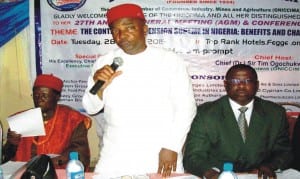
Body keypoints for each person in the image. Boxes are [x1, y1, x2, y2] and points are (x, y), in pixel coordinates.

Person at [82, 3, 196, 178]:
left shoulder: (170, 61)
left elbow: (186, 108)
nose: (121, 36)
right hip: (115, 152)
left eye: (129, 28)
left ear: (144, 29)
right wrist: (99, 88)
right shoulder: (103, 62)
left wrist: (172, 146)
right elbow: (91, 108)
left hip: (159, 150)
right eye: (115, 30)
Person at [183, 64, 293, 179]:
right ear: (225, 85)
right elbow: (193, 156)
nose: (241, 86)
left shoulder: (275, 113)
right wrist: (211, 173)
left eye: (248, 81)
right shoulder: (206, 113)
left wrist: (270, 166)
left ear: (257, 85)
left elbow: (284, 152)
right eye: (235, 81)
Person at [3, 74, 91, 170]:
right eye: (36, 95)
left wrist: (51, 163)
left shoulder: (73, 119)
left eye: (44, 95)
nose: (39, 99)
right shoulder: (21, 120)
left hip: (58, 172)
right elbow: (5, 157)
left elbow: (80, 152)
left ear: (57, 97)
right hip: (26, 173)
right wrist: (11, 143)